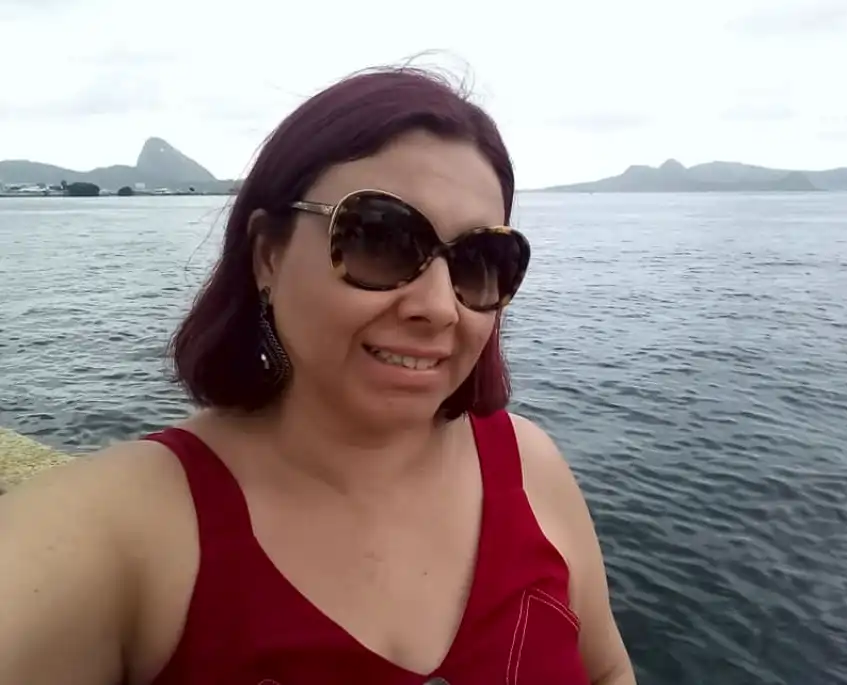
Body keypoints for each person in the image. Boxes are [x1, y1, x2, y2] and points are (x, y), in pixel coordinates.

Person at [0, 66, 636, 685]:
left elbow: (606, 669)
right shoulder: (118, 536)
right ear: (268, 256)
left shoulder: (529, 468)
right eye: (379, 239)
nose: (440, 307)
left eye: (479, 259)